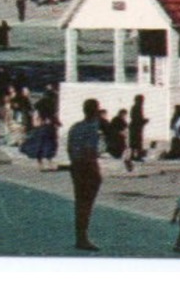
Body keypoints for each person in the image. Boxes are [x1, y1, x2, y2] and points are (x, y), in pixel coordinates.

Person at [68, 98, 104, 252]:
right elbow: (90, 151)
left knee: (79, 203)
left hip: (76, 166)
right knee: (86, 204)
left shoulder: (75, 127)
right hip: (88, 167)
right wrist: (96, 172)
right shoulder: (92, 128)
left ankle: (80, 237)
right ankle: (83, 238)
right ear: (95, 110)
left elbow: (70, 149)